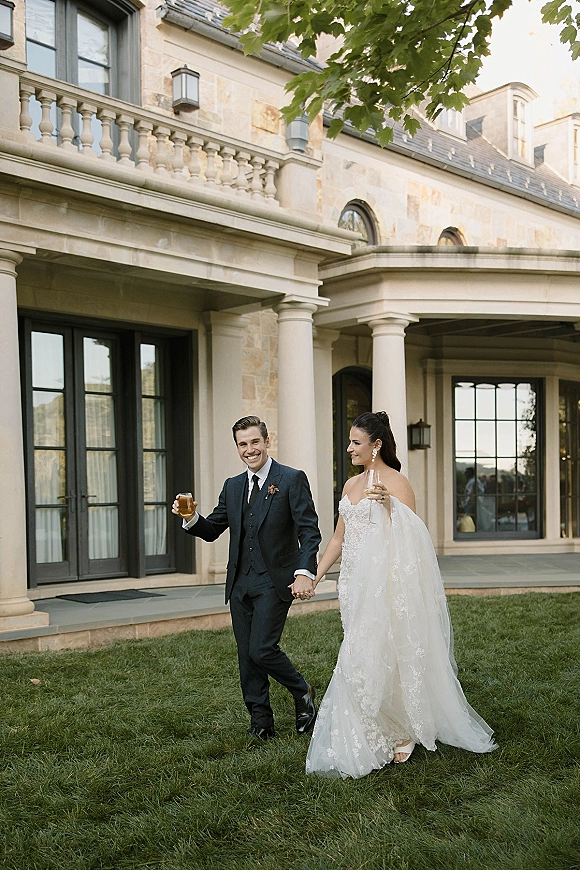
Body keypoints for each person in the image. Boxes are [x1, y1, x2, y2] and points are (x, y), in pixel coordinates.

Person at [306, 411, 497, 779]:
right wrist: (315, 575)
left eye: (355, 442)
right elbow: (338, 539)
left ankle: (403, 727)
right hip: (353, 584)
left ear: (376, 445)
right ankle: (370, 724)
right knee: (360, 651)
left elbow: (416, 543)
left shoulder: (398, 483)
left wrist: (392, 508)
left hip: (388, 584)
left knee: (388, 650)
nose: (349, 448)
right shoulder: (349, 486)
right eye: (349, 441)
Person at [172, 415, 321, 740]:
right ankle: (261, 724)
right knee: (246, 657)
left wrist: (304, 571)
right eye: (243, 444)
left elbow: (309, 530)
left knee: (262, 649)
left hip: (275, 580)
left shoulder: (291, 479)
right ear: (237, 447)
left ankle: (302, 690)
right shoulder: (233, 485)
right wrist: (191, 517)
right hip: (240, 582)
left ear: (267, 441)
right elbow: (212, 530)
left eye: (255, 442)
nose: (249, 449)